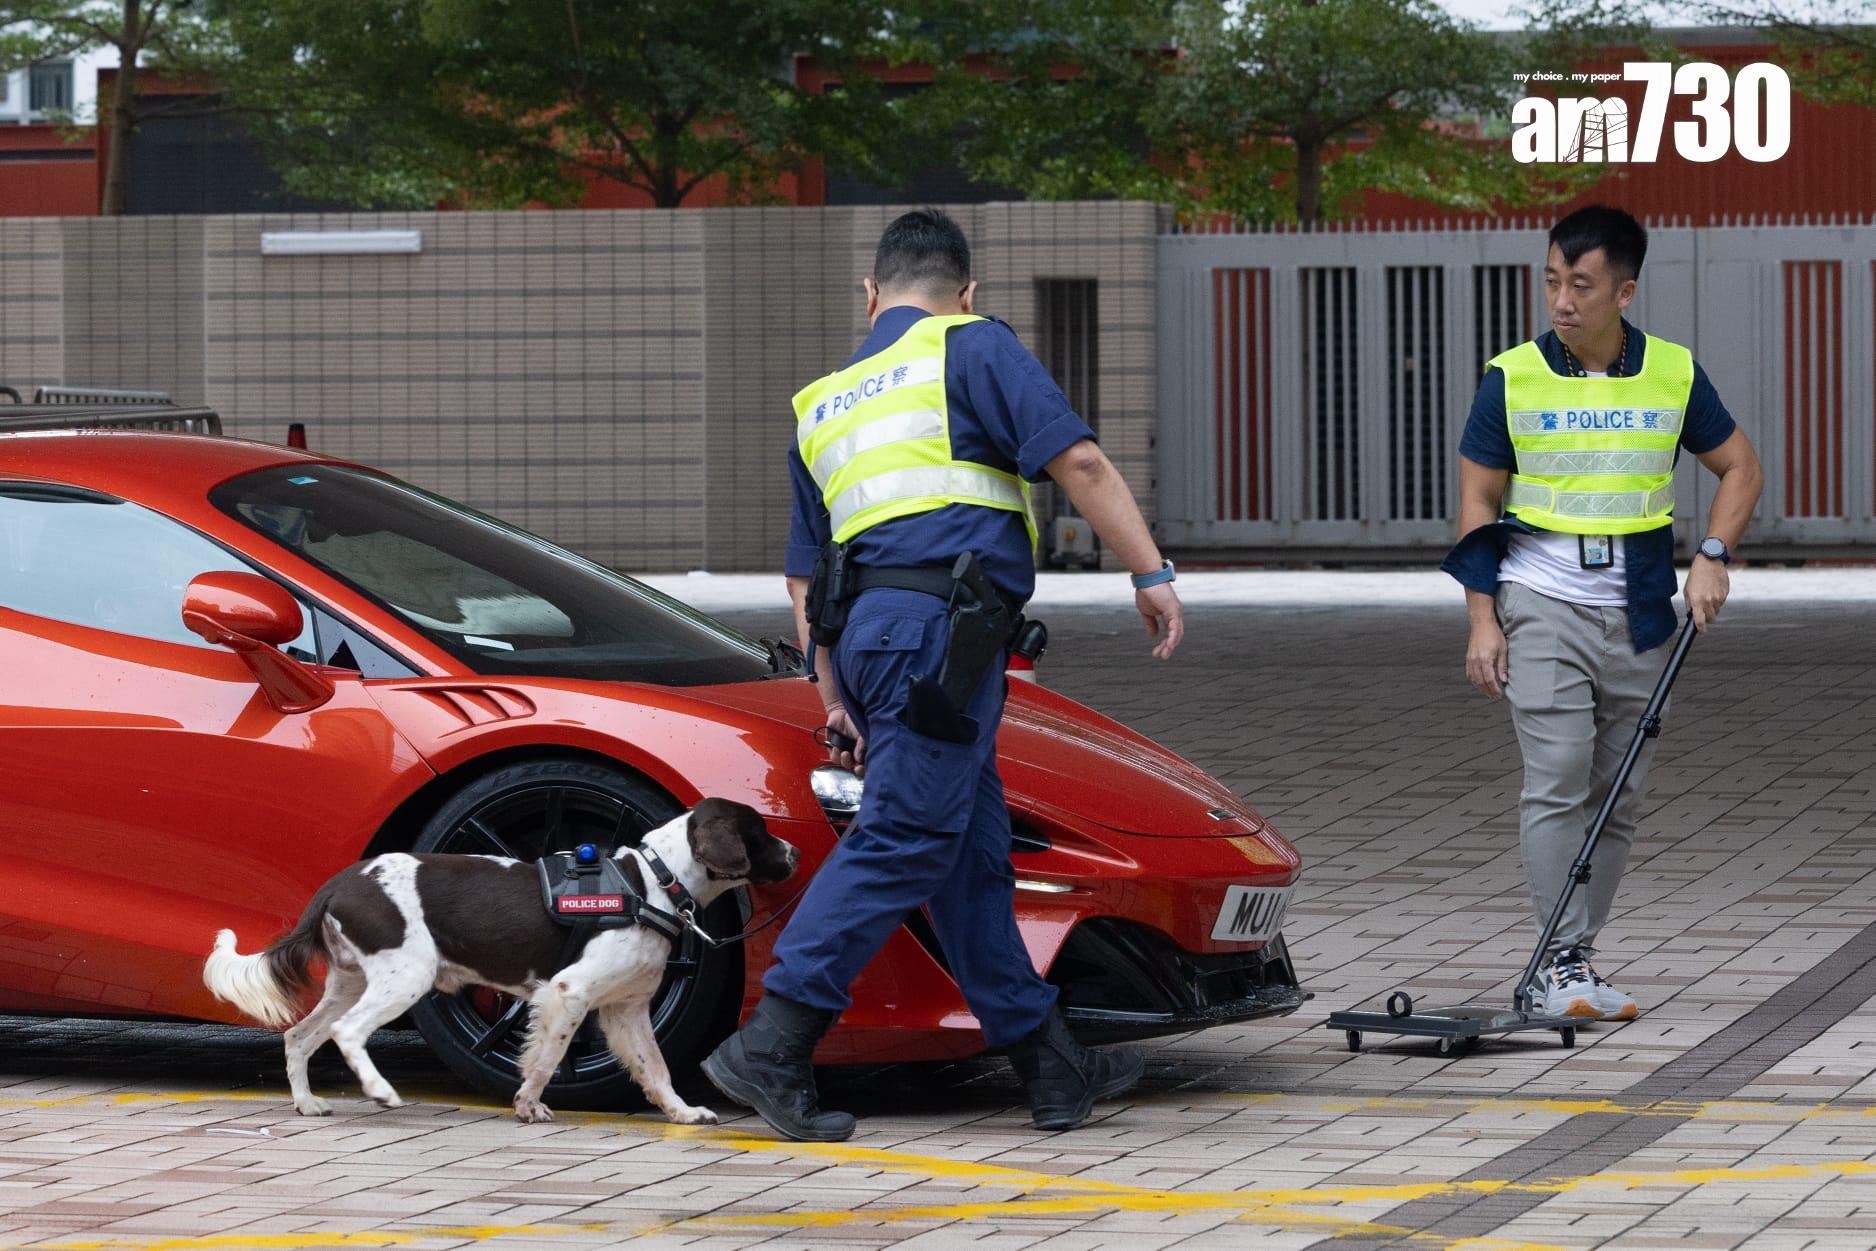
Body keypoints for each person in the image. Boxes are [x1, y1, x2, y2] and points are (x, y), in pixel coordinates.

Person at [701, 208, 1184, 1141]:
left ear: (870, 295)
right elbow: (1077, 458)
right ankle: (775, 1037)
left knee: (968, 850)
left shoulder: (824, 400)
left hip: (873, 643)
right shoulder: (973, 347)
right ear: (966, 293)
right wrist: (1149, 570)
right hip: (942, 636)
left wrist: (833, 692)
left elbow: (808, 574)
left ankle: (1047, 1060)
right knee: (908, 838)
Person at [1444, 204, 1763, 1022]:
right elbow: (1477, 498)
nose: (1561, 300)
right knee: (1556, 781)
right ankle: (1557, 963)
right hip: (1541, 603)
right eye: (1552, 280)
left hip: (1640, 613)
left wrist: (1714, 557)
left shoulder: (1674, 373)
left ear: (1624, 290)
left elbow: (1740, 468)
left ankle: (1576, 956)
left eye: (1580, 285)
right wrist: (1484, 618)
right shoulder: (1510, 376)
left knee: (1616, 793)